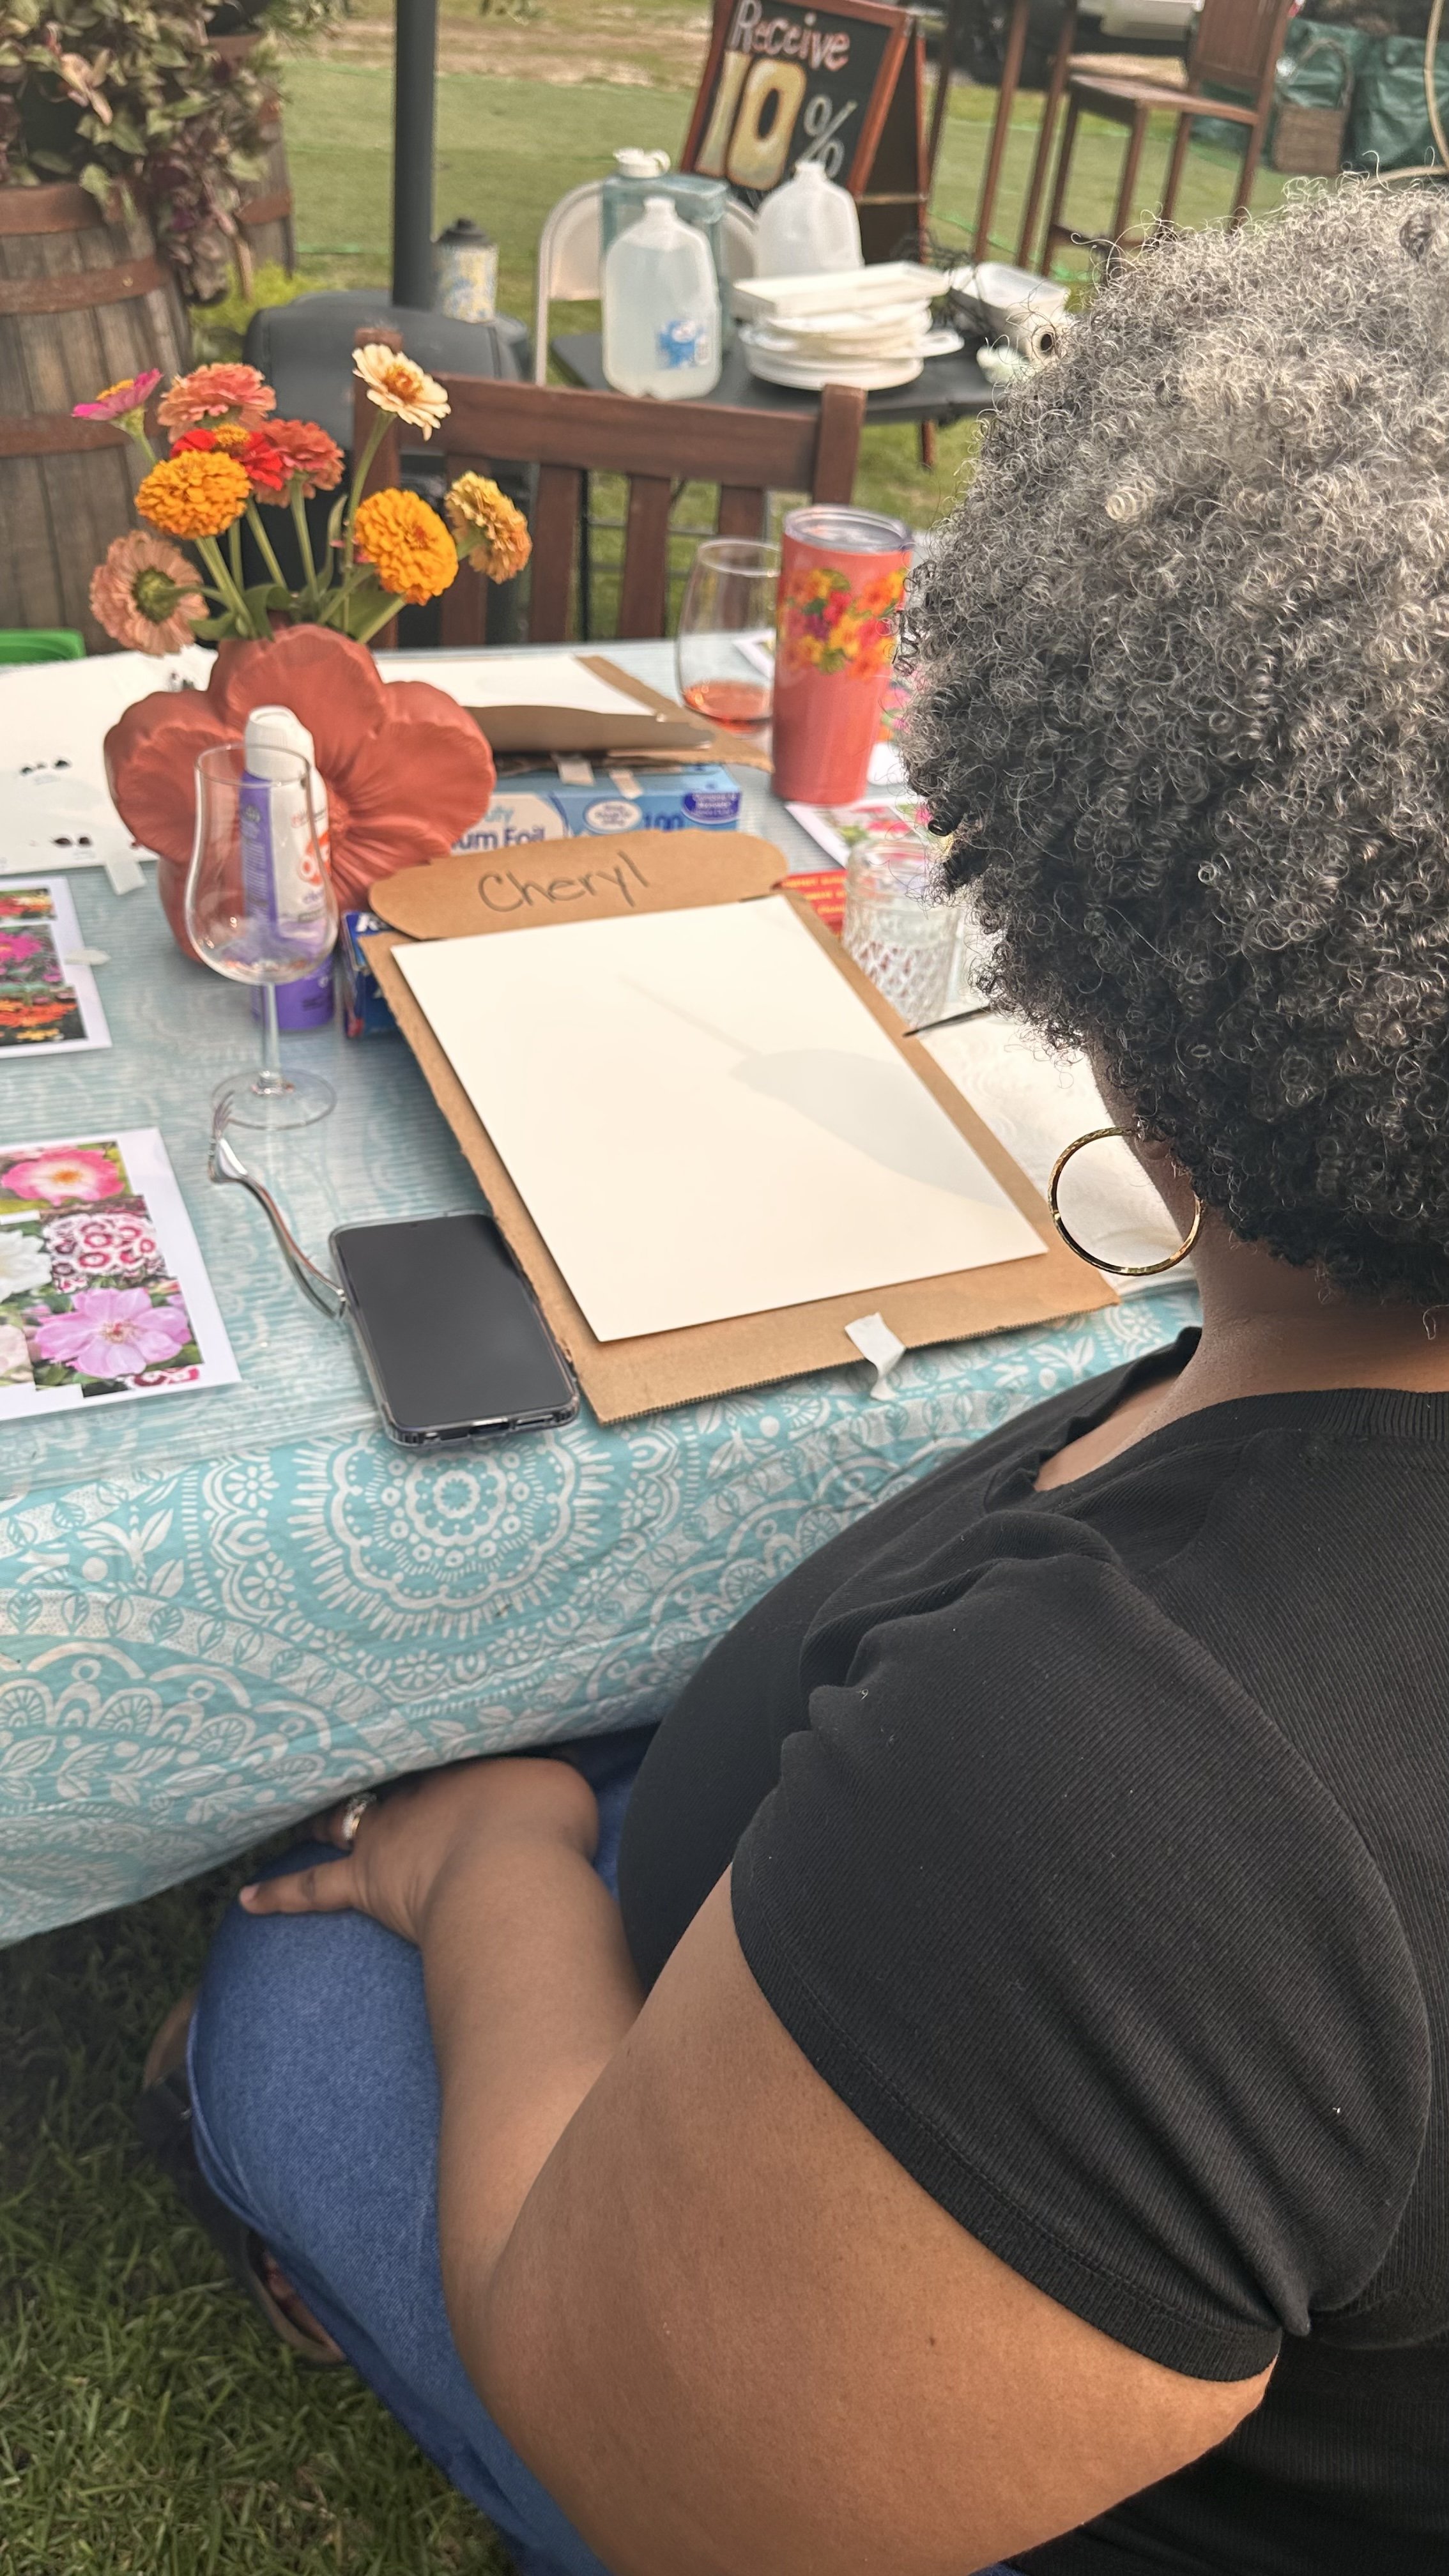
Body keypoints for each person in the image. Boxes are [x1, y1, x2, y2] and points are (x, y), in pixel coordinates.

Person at [144, 183, 1449, 2575]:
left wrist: (501, 1872)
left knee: (273, 1997)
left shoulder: (1144, 1792)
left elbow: (671, 2461)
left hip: (846, 2390)